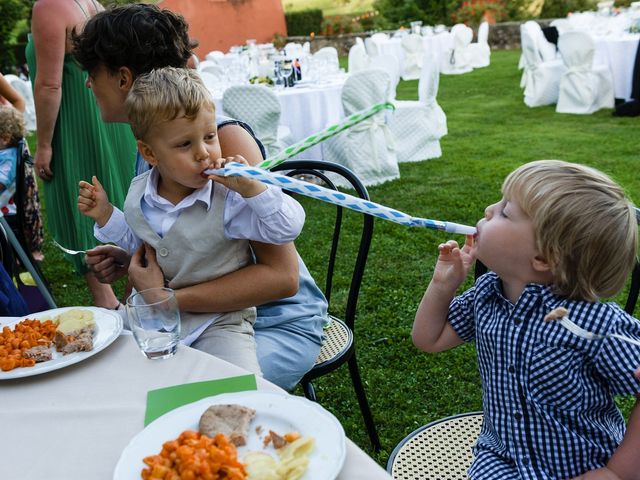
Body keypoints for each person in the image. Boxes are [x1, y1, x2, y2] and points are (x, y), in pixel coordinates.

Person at [71, 3, 327, 390]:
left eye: (93, 73)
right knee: (110, 380)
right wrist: (132, 262)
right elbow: (173, 243)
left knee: (169, 395)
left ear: (123, 78)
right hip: (189, 317)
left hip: (267, 323)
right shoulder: (154, 145)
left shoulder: (219, 143)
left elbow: (281, 278)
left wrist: (165, 296)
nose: (89, 84)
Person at [413, 160, 640, 479]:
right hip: (501, 459)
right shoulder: (487, 295)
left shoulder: (593, 325)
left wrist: (618, 472)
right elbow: (429, 339)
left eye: (506, 211)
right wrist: (442, 285)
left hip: (585, 464)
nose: (489, 209)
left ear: (544, 258)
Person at [26, 0, 138, 308]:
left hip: (76, 122)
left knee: (84, 197)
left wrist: (45, 144)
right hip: (104, 114)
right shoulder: (92, 4)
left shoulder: (48, 7)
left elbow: (49, 85)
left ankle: (107, 300)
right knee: (117, 190)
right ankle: (138, 288)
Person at [0, 75, 44, 261]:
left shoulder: (8, 157)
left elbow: (18, 100)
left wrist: (13, 136)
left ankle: (27, 250)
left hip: (6, 210)